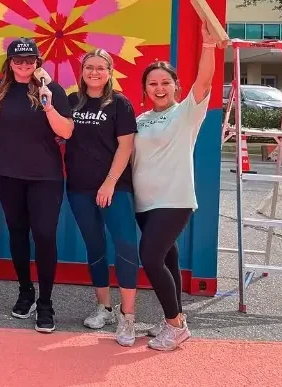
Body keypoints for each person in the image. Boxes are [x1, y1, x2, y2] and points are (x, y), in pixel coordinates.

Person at [133, 22, 226, 351]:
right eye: (152, 83)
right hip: (144, 204)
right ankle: (175, 317)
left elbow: (205, 80)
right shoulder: (140, 120)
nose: (159, 88)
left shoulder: (186, 112)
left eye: (165, 83)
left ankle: (175, 326)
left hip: (174, 199)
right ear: (145, 88)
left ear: (175, 86)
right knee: (168, 258)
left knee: (151, 257)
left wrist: (208, 45)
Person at [0, 37, 73, 333]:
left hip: (45, 177)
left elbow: (68, 131)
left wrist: (48, 106)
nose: (24, 66)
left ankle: (46, 303)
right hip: (8, 175)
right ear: (10, 63)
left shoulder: (53, 91)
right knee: (18, 235)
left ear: (38, 62)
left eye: (29, 61)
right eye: (18, 61)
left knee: (45, 236)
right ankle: (26, 292)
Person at [63, 49, 139, 346]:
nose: (94, 72)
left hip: (114, 189)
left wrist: (109, 183)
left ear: (110, 71)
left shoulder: (120, 103)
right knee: (94, 246)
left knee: (125, 247)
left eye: (100, 68)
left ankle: (127, 316)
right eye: (88, 67)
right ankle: (104, 307)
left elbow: (125, 147)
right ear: (81, 72)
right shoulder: (72, 102)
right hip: (79, 187)